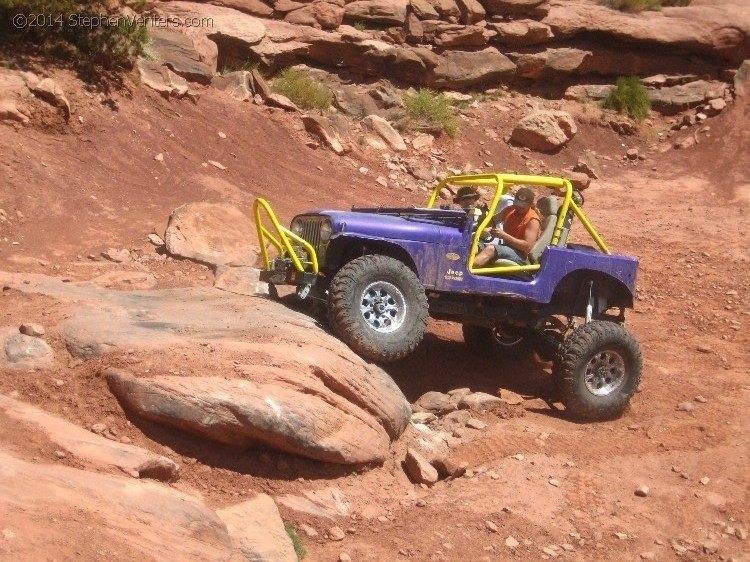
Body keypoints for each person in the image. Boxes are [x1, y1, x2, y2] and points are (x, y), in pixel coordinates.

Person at [474, 186, 541, 267]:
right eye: (517, 204)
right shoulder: (510, 210)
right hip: (506, 247)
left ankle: (466, 272)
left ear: (530, 204)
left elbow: (527, 247)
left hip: (521, 255)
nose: (519, 207)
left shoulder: (533, 220)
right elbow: (491, 221)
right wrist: (484, 228)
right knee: (476, 245)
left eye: (522, 206)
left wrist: (504, 236)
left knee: (490, 249)